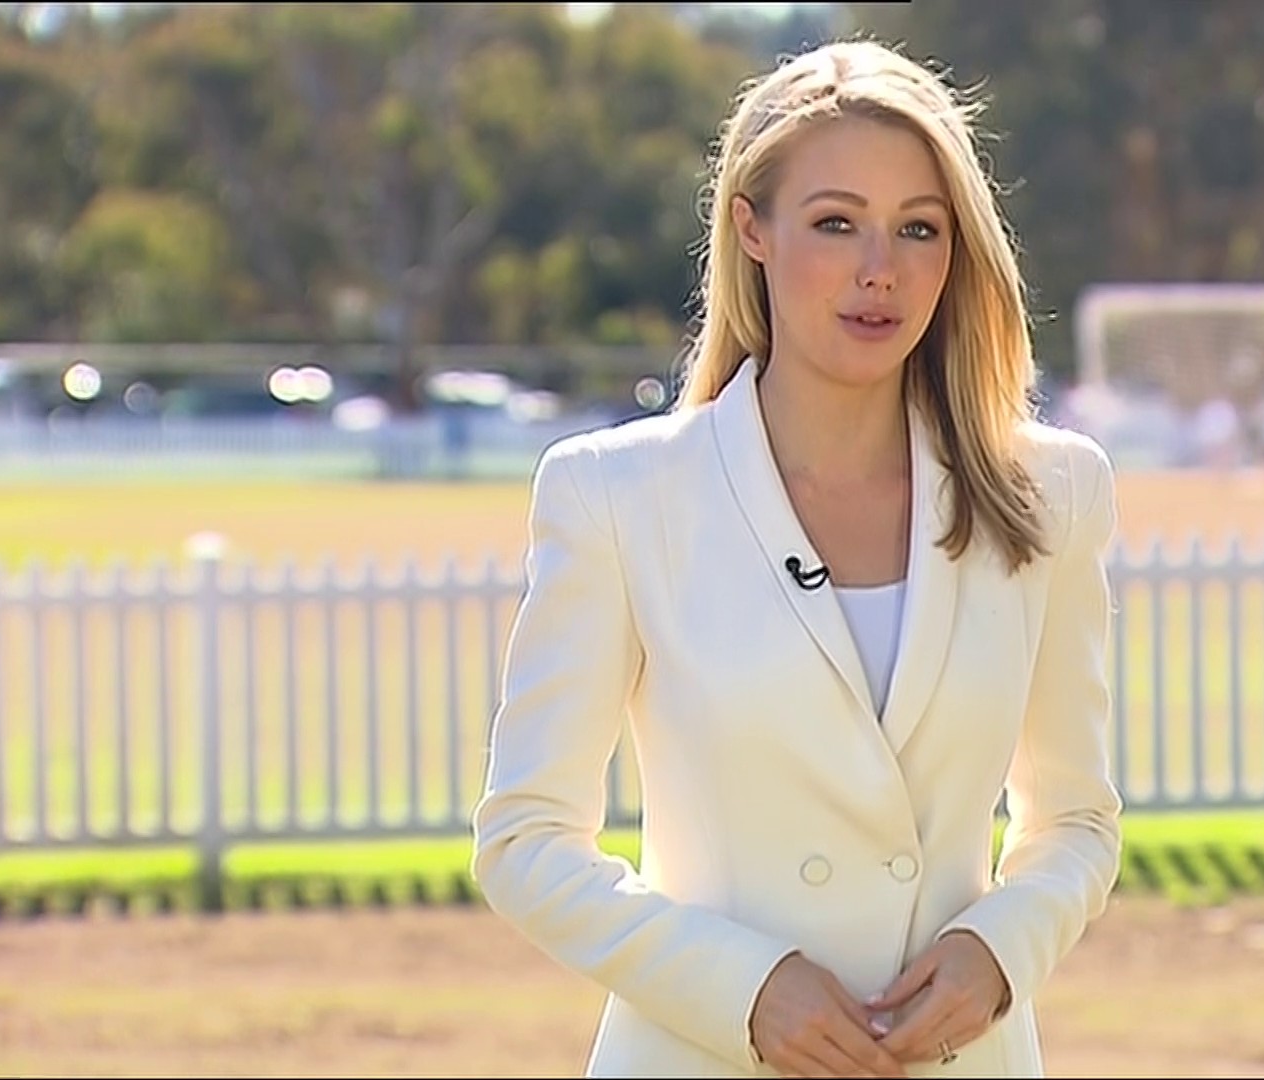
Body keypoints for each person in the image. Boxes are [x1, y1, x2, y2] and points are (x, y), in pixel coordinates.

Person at [470, 39, 1124, 1079]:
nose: (880, 270)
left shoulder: (1052, 493)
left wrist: (999, 954)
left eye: (919, 228)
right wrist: (744, 991)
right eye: (835, 223)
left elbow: (1078, 820)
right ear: (751, 229)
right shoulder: (618, 496)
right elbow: (525, 841)